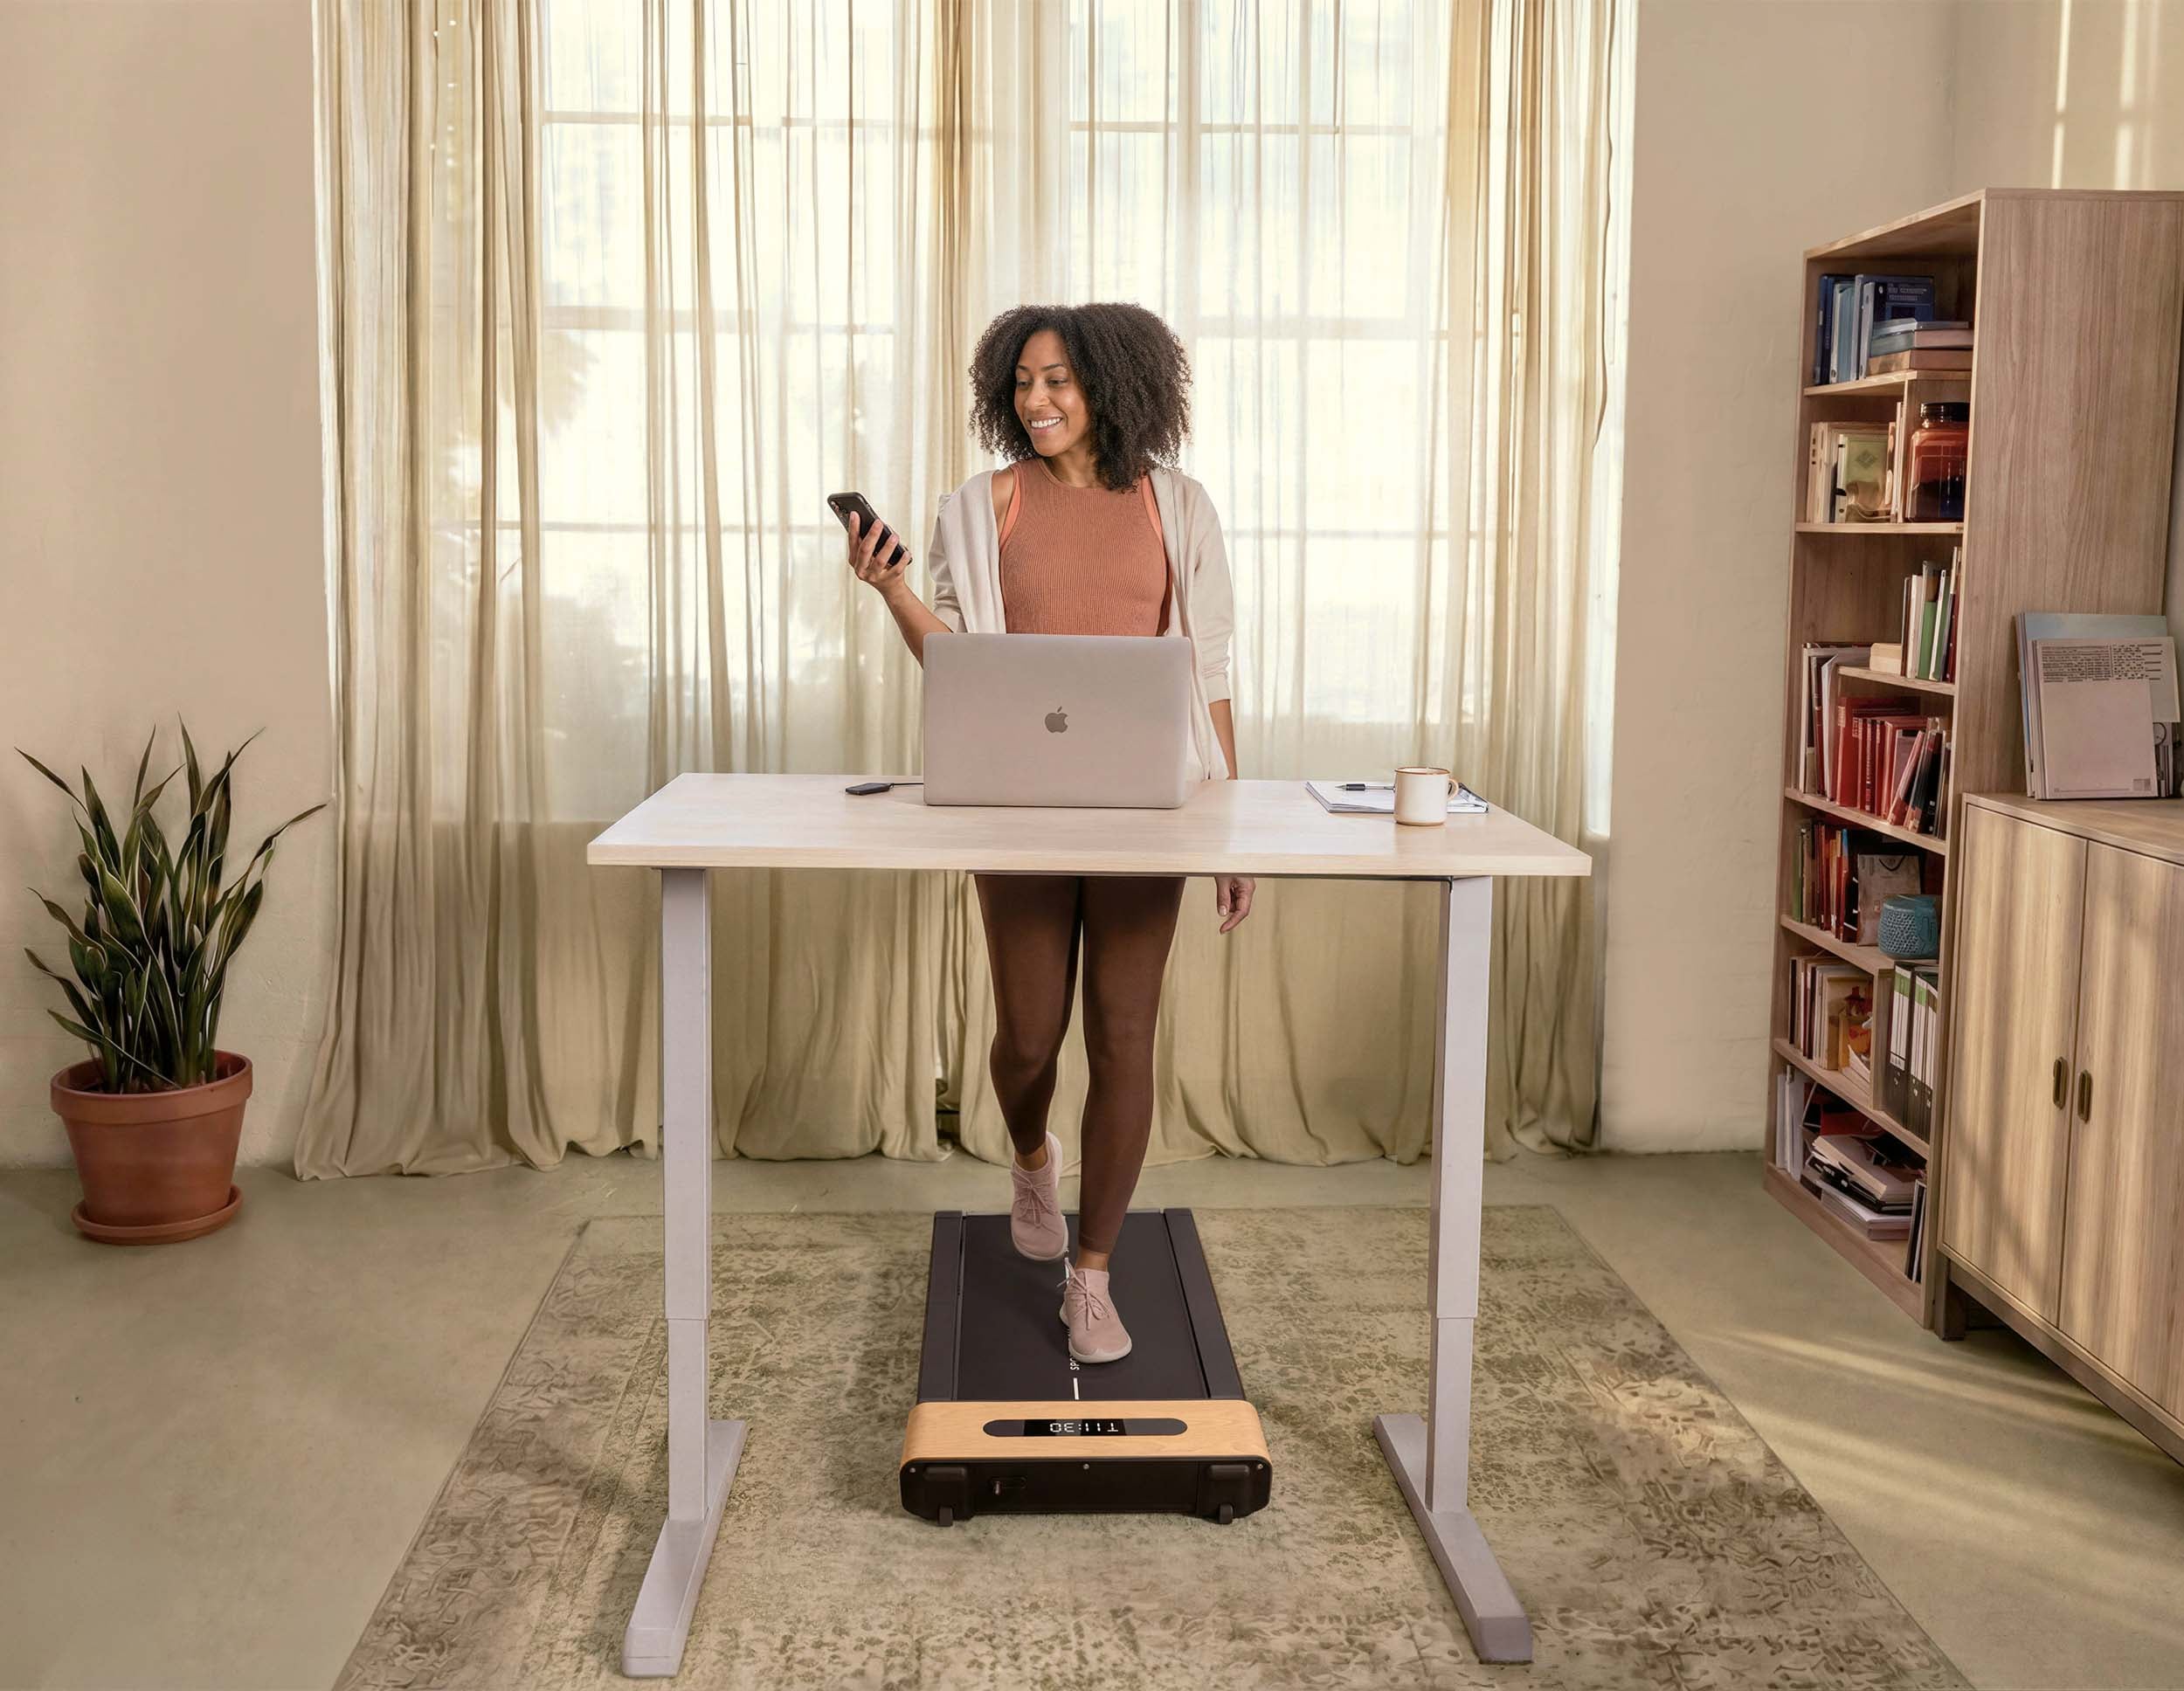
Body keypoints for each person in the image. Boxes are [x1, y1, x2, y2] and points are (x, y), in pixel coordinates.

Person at [844, 301, 1253, 1365]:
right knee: (1029, 1035)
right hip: (1016, 806)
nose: (1036, 401)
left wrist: (1231, 831)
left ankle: (1093, 1273)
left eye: (1059, 381)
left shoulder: (1179, 507)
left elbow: (1208, 672)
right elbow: (960, 664)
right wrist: (892, 586)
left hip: (1143, 813)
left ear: (1111, 387)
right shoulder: (983, 509)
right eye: (1022, 382)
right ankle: (1031, 1154)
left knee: (1123, 1036)